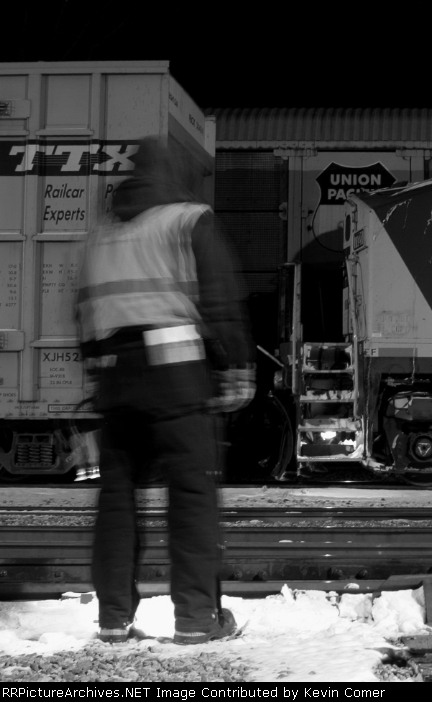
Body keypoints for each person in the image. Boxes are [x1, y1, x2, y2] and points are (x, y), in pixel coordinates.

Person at [76, 136, 254, 645]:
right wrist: (237, 366)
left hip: (115, 381)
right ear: (174, 175)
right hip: (176, 376)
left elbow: (83, 314)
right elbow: (219, 298)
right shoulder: (187, 219)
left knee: (115, 499)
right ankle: (196, 620)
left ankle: (112, 618)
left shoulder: (101, 235)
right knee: (192, 495)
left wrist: (98, 372)